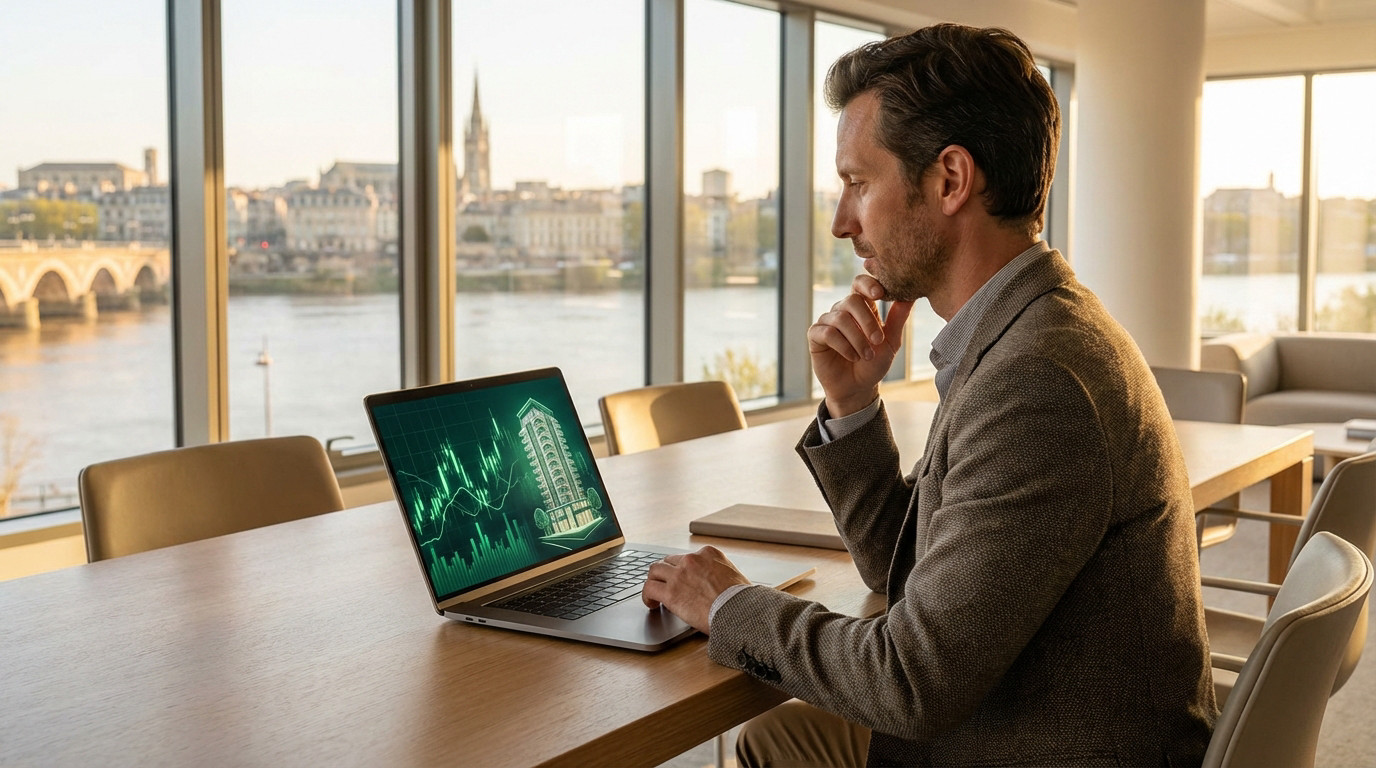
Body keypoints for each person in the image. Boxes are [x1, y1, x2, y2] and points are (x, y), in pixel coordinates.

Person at [641, 22, 1218, 767]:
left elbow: (911, 683)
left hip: (1043, 746)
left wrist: (725, 603)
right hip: (1024, 715)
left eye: (857, 184)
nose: (843, 222)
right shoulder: (1026, 328)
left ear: (950, 179)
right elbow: (915, 582)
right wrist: (853, 407)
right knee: (778, 739)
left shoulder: (1038, 380)